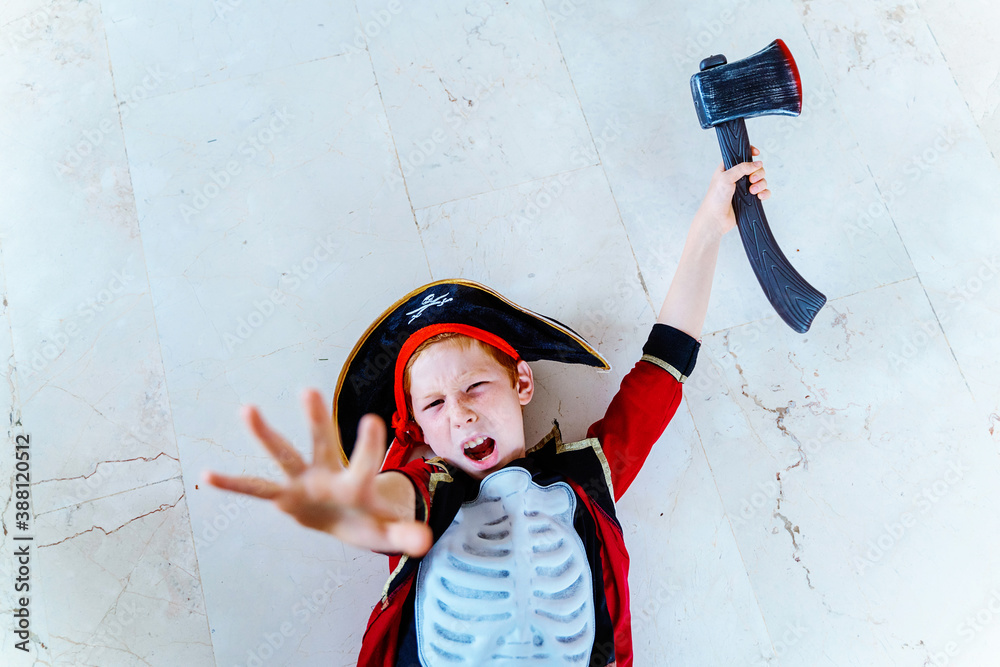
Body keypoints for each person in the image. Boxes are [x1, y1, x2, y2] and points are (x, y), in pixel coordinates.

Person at [202, 150, 770, 666]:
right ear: (417, 429)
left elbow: (663, 367)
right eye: (434, 403)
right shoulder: (430, 490)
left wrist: (708, 228)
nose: (461, 414)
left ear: (522, 381)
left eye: (475, 387)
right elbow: (394, 508)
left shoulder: (586, 476)